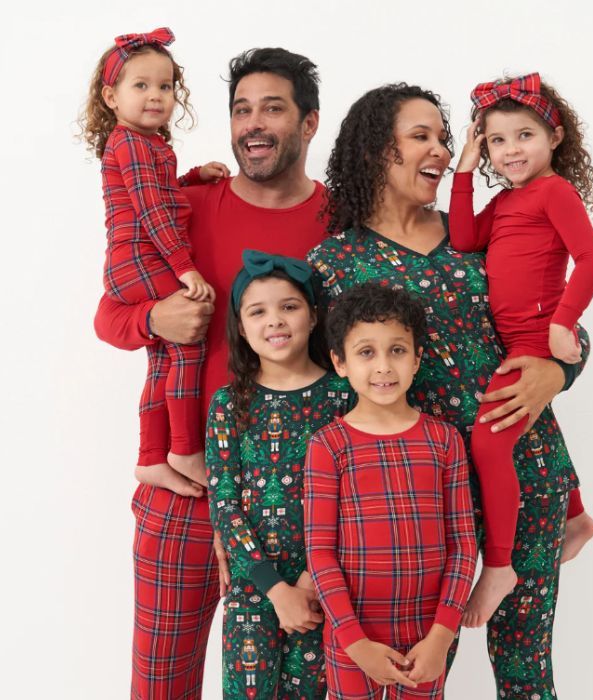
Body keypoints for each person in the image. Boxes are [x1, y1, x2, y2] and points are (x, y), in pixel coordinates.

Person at [308, 82, 590, 699]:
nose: (440, 148)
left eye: (445, 135)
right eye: (421, 136)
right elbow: (320, 390)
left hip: (524, 471)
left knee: (526, 671)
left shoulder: (478, 233)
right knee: (416, 680)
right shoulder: (332, 262)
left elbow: (559, 320)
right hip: (418, 504)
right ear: (374, 152)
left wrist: (559, 371)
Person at [93, 47, 325, 699]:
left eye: (272, 108)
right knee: (161, 687)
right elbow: (108, 317)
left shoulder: (341, 227)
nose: (253, 123)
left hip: (300, 503)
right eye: (241, 109)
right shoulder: (187, 204)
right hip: (185, 494)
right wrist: (154, 320)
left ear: (309, 124)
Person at [448, 72, 593, 627]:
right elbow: (464, 239)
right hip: (510, 341)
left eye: (524, 136)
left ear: (555, 137)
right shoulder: (507, 198)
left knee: (488, 445)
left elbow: (591, 259)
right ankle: (578, 518)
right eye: (497, 140)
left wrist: (565, 324)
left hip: (537, 338)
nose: (511, 150)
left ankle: (500, 565)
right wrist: (464, 171)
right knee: (533, 427)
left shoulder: (555, 192)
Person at [305, 283, 477, 699]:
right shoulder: (328, 446)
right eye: (366, 352)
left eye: (397, 350)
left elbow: (464, 547)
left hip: (428, 638)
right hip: (354, 637)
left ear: (417, 358)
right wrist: (354, 641)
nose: (383, 366)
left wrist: (441, 636)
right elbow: (320, 553)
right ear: (340, 362)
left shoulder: (444, 440)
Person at [80, 27, 230, 490]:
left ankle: (150, 456)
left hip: (133, 262)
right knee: (188, 339)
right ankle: (184, 449)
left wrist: (193, 175)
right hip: (140, 259)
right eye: (140, 85)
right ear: (111, 96)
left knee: (163, 356)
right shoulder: (129, 143)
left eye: (165, 86)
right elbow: (153, 212)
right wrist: (185, 268)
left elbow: (160, 189)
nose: (156, 96)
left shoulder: (146, 146)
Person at [206, 250, 355, 698]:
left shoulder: (345, 396)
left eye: (289, 306)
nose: (275, 320)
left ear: (312, 317)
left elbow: (355, 497)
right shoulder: (229, 405)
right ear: (242, 326)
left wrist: (312, 579)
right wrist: (275, 590)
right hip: (255, 589)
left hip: (324, 586)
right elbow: (225, 503)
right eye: (258, 311)